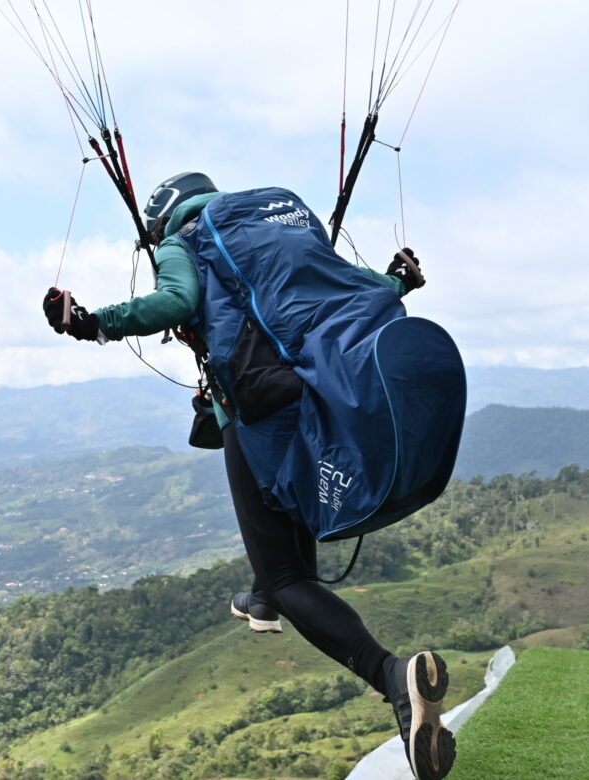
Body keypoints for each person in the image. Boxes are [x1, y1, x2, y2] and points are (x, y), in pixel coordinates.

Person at [41, 172, 454, 780]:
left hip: (258, 409)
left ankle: (394, 677)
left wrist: (91, 322)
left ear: (166, 219)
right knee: (283, 555)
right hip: (318, 391)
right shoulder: (269, 224)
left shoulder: (186, 242)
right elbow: (348, 286)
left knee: (287, 573)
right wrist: (398, 279)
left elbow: (175, 302)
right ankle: (262, 597)